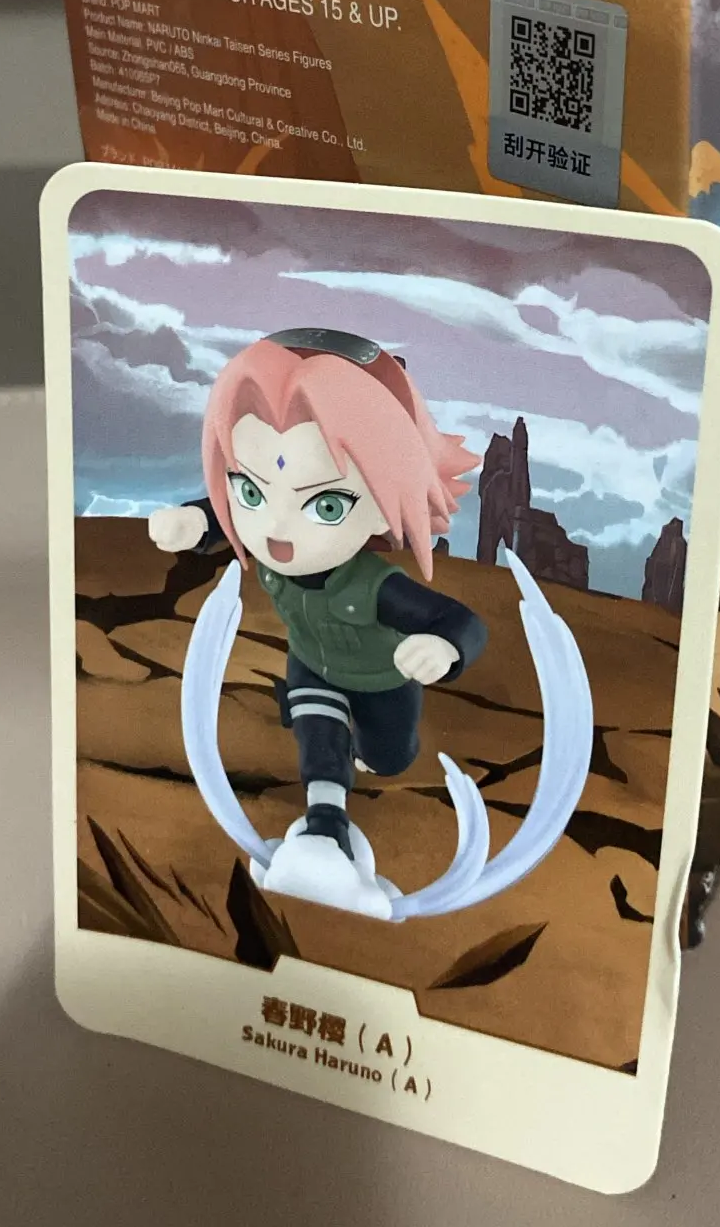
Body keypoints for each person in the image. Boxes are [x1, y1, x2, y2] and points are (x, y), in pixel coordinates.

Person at [149, 327, 486, 865]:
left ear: (384, 505)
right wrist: (197, 520)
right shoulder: (267, 541)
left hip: (382, 683)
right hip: (310, 664)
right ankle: (326, 821)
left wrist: (444, 647)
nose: (277, 532)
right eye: (252, 491)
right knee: (318, 737)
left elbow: (459, 620)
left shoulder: (372, 585)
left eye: (327, 506)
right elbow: (228, 515)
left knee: (389, 757)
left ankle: (375, 757)